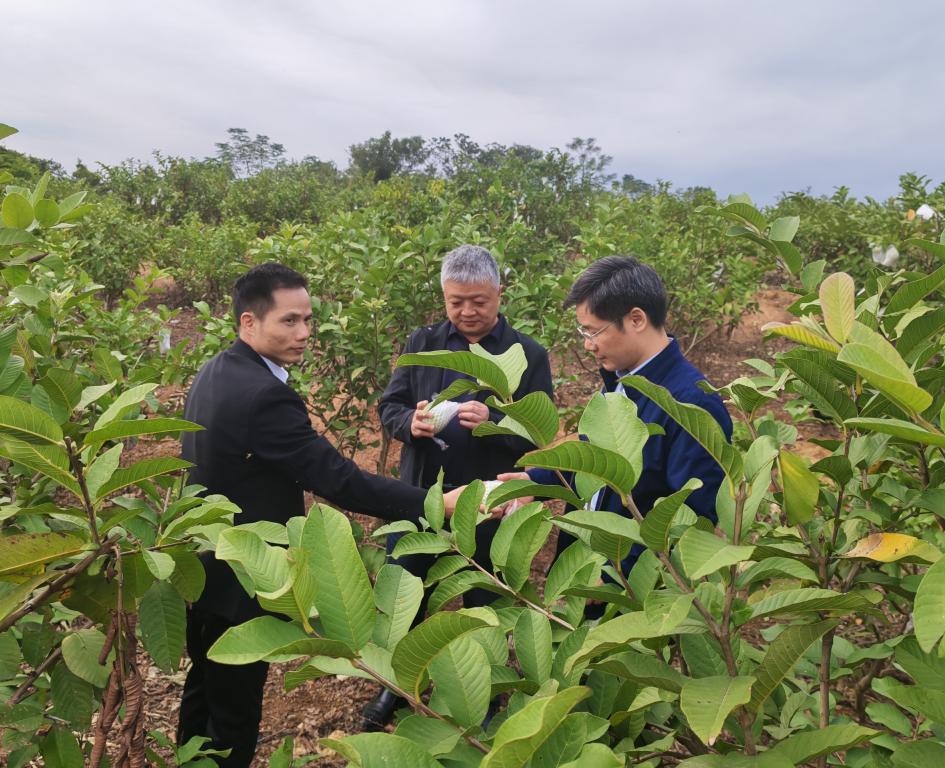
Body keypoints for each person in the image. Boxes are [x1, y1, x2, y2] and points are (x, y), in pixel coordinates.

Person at [176, 263, 463, 767]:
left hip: (203, 566)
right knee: (234, 719)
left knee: (204, 693)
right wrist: (433, 503)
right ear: (249, 322)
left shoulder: (217, 370)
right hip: (245, 578)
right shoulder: (265, 394)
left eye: (308, 319)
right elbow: (336, 478)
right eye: (289, 321)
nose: (305, 332)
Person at [364, 245, 553, 730]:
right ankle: (398, 685)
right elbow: (390, 407)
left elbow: (541, 431)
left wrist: (498, 420)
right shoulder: (423, 343)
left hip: (489, 502)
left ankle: (483, 696)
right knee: (404, 592)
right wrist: (410, 424)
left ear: (499, 294)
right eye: (456, 302)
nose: (467, 311)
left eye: (478, 301)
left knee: (484, 602)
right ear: (444, 297)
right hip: (422, 495)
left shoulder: (527, 354)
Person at [502, 255, 732, 575]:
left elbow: (691, 522)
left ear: (636, 319)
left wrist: (619, 574)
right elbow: (596, 463)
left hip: (629, 587)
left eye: (593, 331)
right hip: (591, 570)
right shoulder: (620, 382)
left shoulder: (691, 405)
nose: (587, 345)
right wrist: (536, 482)